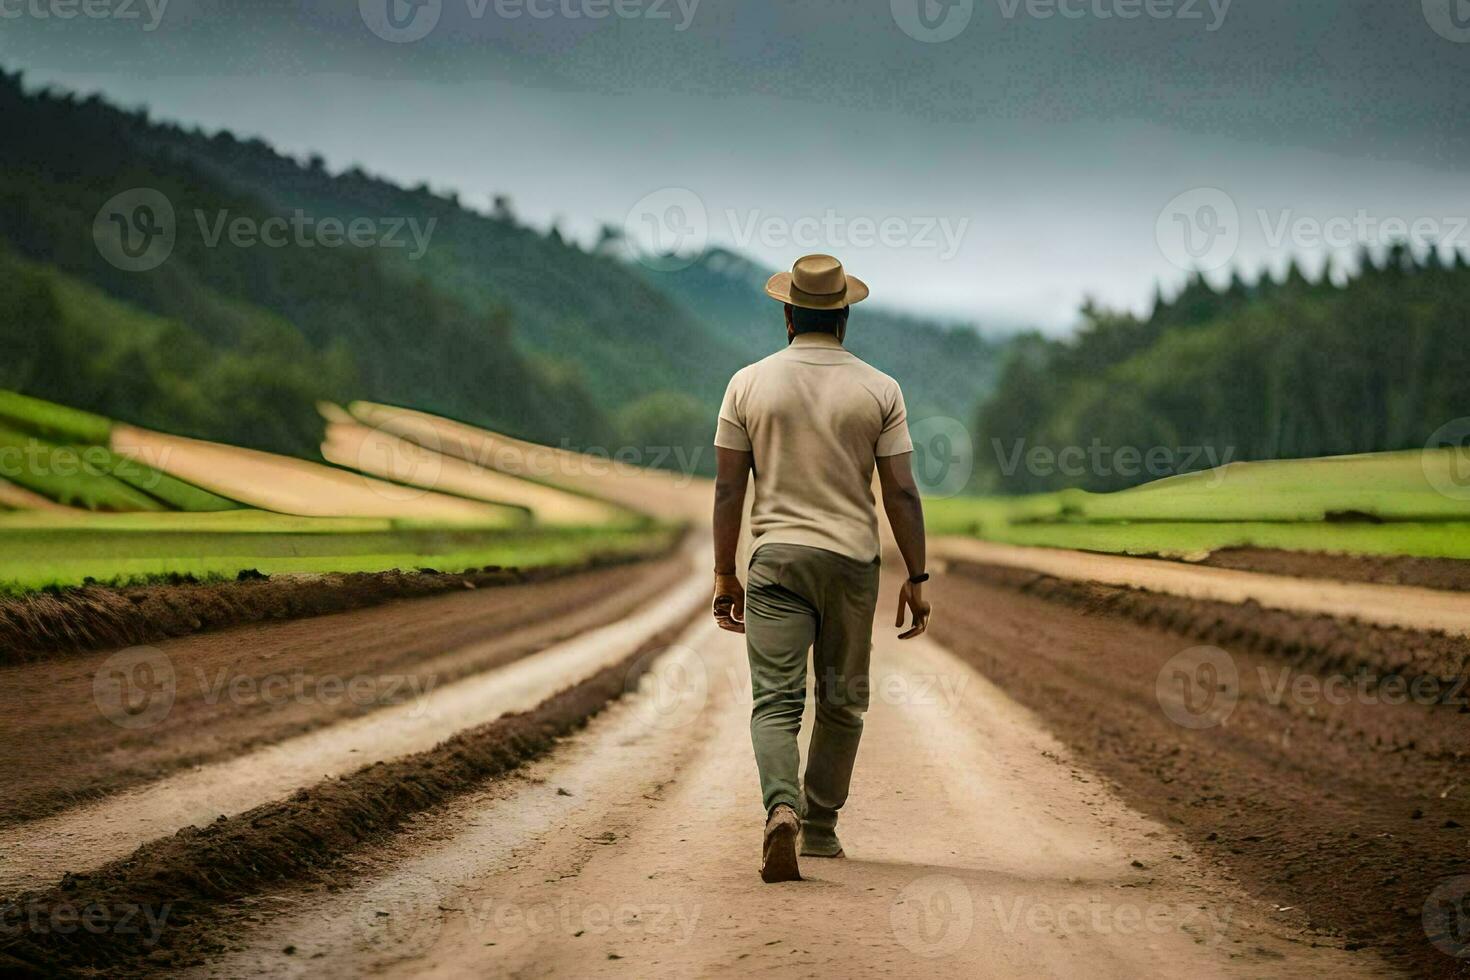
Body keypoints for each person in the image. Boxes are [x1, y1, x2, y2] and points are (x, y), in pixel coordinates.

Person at [710, 253, 932, 884]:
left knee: (775, 703)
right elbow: (902, 493)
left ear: (787, 315)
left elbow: (729, 490)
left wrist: (725, 574)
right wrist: (917, 578)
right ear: (843, 318)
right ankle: (819, 828)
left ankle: (781, 805)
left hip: (776, 562)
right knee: (841, 701)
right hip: (850, 565)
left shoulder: (746, 384)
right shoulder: (880, 389)